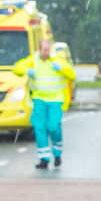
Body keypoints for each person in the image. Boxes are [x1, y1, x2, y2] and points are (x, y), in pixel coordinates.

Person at [13, 41, 76, 170]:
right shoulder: (34, 60)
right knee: (39, 128)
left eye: (47, 49)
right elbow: (16, 68)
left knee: (54, 127)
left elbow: (72, 75)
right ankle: (44, 159)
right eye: (43, 49)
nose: (45, 52)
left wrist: (62, 69)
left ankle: (57, 154)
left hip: (55, 100)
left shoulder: (58, 61)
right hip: (39, 100)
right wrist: (26, 70)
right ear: (39, 49)